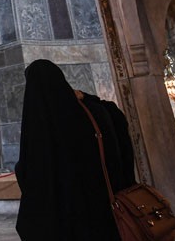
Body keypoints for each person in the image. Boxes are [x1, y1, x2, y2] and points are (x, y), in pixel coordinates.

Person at [15, 59, 135, 240]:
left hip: (70, 219)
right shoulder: (94, 110)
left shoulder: (42, 126)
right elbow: (118, 124)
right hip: (107, 212)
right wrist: (87, 97)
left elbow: (31, 173)